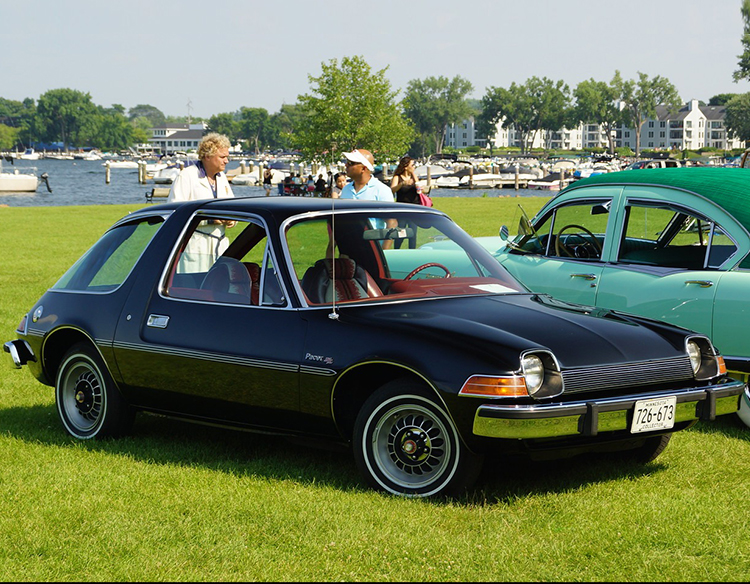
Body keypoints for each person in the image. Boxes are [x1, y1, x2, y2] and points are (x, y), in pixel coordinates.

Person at [168, 132, 235, 272]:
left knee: (219, 288)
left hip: (220, 246)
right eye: (222, 157)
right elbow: (174, 214)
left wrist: (232, 220)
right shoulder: (186, 176)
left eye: (227, 157)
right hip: (195, 247)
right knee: (194, 289)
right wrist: (211, 220)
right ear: (207, 156)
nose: (226, 161)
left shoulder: (222, 178)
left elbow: (233, 207)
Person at [390, 155, 420, 248]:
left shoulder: (413, 177)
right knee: (400, 233)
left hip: (414, 209)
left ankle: (412, 254)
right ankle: (397, 251)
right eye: (412, 165)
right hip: (402, 209)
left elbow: (419, 189)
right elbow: (392, 190)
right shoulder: (397, 177)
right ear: (406, 167)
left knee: (413, 234)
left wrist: (413, 175)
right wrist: (402, 184)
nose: (414, 166)